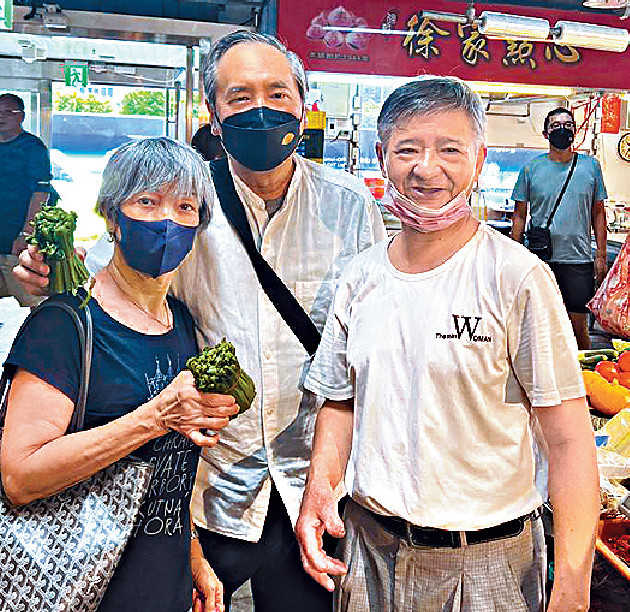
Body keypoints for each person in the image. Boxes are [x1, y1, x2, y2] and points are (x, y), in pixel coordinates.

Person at [15, 30, 386, 612]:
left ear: (303, 100)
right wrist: (37, 276)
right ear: (213, 115)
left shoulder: (352, 206)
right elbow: (100, 283)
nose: (260, 109)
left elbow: (368, 339)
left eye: (277, 92)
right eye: (239, 97)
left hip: (313, 488)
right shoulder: (187, 202)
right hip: (204, 491)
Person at [296, 78, 599, 612]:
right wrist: (320, 486)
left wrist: (572, 585)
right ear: (382, 157)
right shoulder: (359, 277)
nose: (426, 168)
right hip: (369, 550)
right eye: (407, 149)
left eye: (449, 149)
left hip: (488, 563)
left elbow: (570, 441)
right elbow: (340, 399)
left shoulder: (517, 277)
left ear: (479, 160)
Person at [1, 137, 237, 612]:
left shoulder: (182, 324)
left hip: (162, 581)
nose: (166, 220)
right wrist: (157, 416)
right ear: (112, 217)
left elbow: (169, 470)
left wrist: (192, 557)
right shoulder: (66, 324)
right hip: (75, 583)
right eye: (146, 202)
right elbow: (20, 476)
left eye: (185, 206)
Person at [511, 107, 608, 350]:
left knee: (578, 327)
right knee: (537, 326)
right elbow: (520, 215)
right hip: (540, 259)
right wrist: (512, 255)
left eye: (567, 125)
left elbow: (598, 213)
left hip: (578, 260)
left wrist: (601, 255)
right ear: (546, 133)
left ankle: (585, 380)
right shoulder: (531, 169)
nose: (562, 129)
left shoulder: (591, 167)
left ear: (575, 131)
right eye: (555, 126)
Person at [0, 93, 51, 307]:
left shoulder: (33, 148)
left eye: (7, 112)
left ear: (21, 116)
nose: (1, 116)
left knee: (32, 300)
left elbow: (41, 193)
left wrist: (26, 233)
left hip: (15, 237)